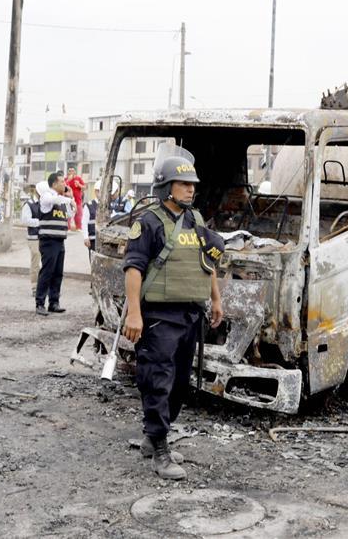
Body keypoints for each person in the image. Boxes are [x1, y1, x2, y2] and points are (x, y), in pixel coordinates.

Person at [122, 151, 224, 480]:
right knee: (158, 381)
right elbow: (134, 269)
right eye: (183, 184)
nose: (191, 189)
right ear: (166, 186)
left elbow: (208, 263)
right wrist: (134, 313)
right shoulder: (149, 222)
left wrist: (216, 300)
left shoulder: (195, 220)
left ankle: (155, 439)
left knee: (180, 382)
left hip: (190, 314)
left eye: (192, 184)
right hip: (158, 316)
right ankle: (160, 447)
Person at [36, 172, 75, 316]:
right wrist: (67, 199)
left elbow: (70, 215)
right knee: (47, 272)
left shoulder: (62, 201)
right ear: (54, 184)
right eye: (62, 182)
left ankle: (54, 302)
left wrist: (70, 199)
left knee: (58, 273)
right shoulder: (47, 196)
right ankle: (40, 303)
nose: (65, 184)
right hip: (48, 241)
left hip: (60, 241)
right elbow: (55, 200)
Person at [21, 182, 48, 297]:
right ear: (36, 192)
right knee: (36, 261)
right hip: (34, 238)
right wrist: (40, 223)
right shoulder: (29, 204)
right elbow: (25, 220)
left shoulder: (46, 204)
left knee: (47, 263)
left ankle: (45, 287)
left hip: (45, 237)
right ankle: (34, 287)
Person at [81, 180, 100, 259]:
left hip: (105, 240)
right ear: (96, 191)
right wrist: (85, 237)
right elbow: (84, 222)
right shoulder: (89, 205)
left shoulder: (108, 205)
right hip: (93, 239)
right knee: (93, 261)